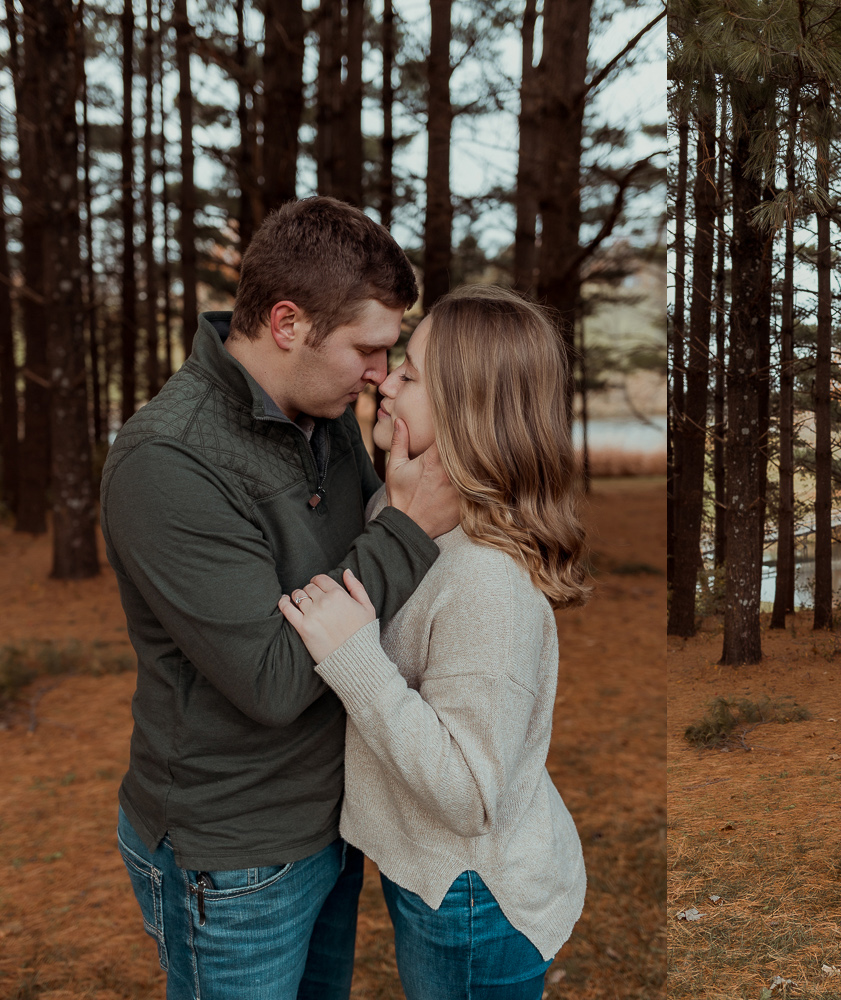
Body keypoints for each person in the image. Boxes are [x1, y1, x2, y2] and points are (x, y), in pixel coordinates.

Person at [102, 197, 458, 999]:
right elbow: (272, 678)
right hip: (234, 858)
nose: (379, 374)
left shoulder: (322, 416)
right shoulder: (167, 464)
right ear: (288, 322)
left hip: (334, 822)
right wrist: (408, 527)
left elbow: (368, 582)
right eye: (368, 349)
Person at [278, 284, 589, 1000]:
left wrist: (352, 657)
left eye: (411, 376)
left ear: (468, 412)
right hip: (431, 873)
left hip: (474, 897)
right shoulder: (401, 506)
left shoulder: (488, 581)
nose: (385, 381)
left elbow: (469, 794)